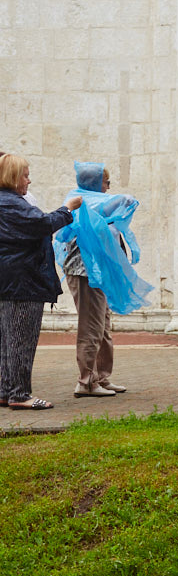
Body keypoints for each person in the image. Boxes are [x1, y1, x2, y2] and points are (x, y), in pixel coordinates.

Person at [0, 154, 82, 410]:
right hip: (22, 282)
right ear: (13, 177)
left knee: (7, 341)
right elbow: (43, 224)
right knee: (21, 341)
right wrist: (67, 208)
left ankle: (5, 390)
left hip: (10, 281)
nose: (29, 180)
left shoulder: (7, 202)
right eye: (25, 175)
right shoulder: (11, 204)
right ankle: (20, 395)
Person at [56, 163, 141, 398]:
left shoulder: (91, 201)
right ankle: (85, 382)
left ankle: (101, 377)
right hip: (85, 274)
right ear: (94, 183)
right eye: (105, 182)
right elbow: (123, 200)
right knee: (90, 327)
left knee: (102, 327)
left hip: (96, 273)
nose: (108, 187)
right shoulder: (82, 201)